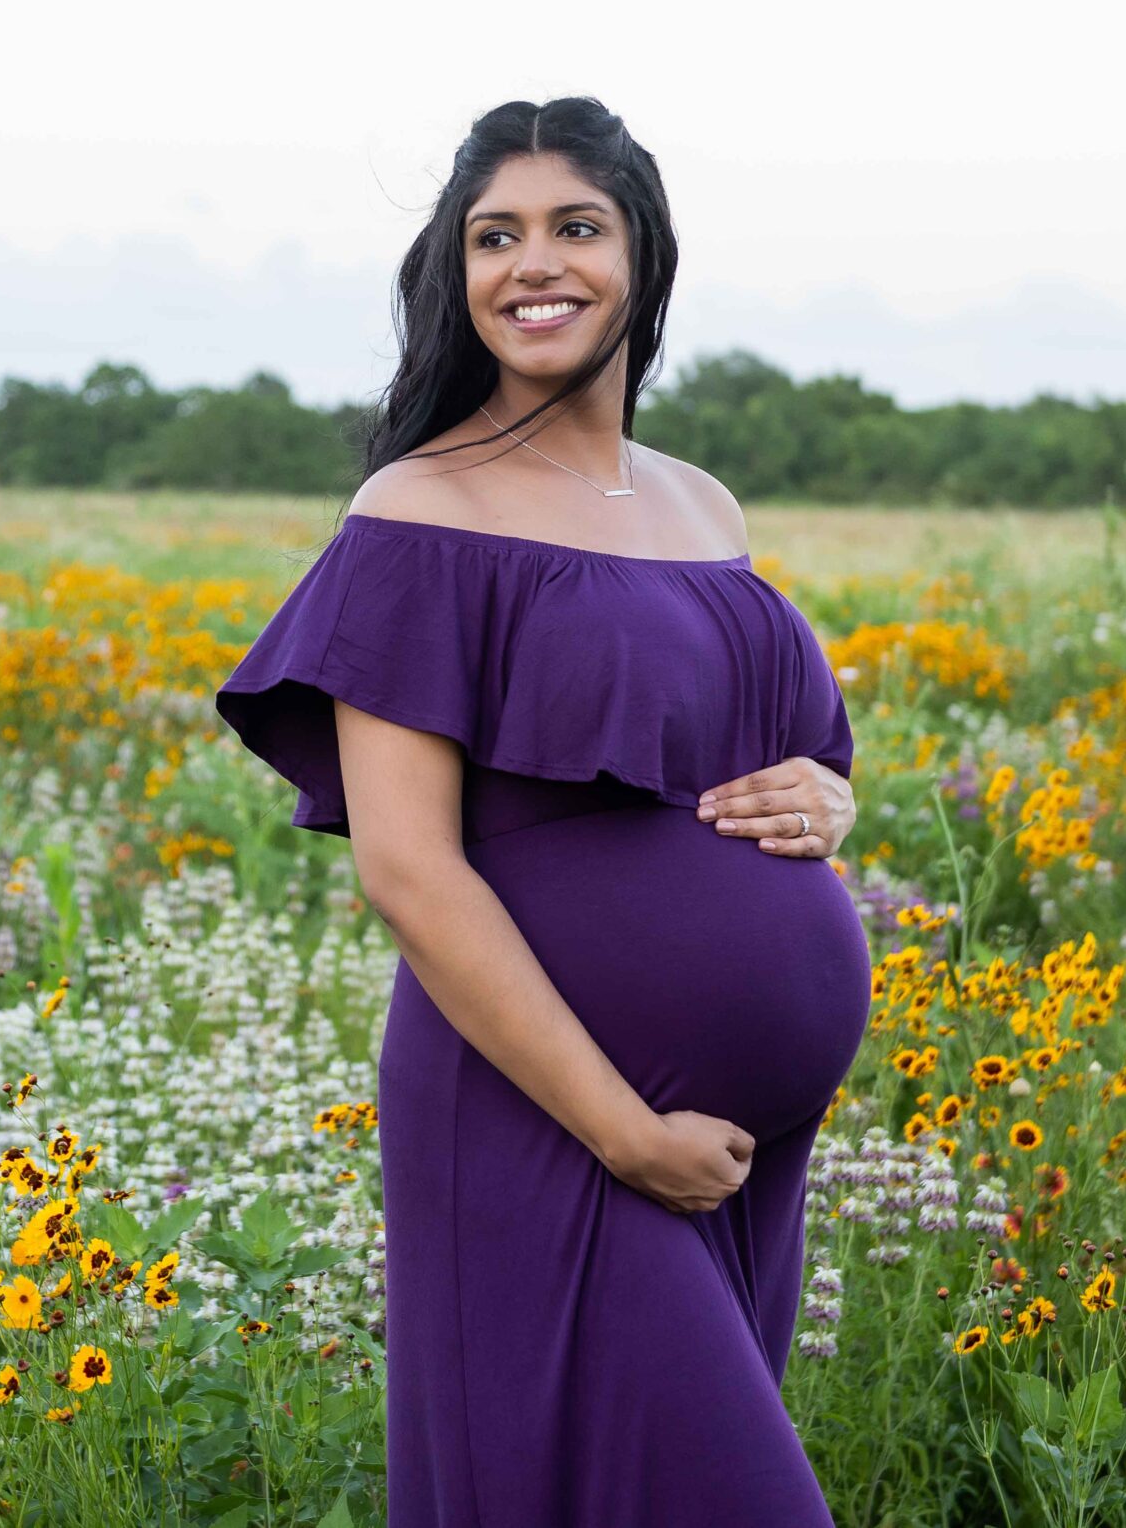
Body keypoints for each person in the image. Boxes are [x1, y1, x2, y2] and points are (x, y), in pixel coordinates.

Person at [213, 97, 867, 1526]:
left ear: (643, 253)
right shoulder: (421, 510)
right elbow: (408, 867)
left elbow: (775, 752)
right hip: (553, 1121)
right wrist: (623, 1131)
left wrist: (829, 794)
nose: (532, 265)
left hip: (744, 1149)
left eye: (575, 226)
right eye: (492, 237)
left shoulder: (704, 507)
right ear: (457, 274)